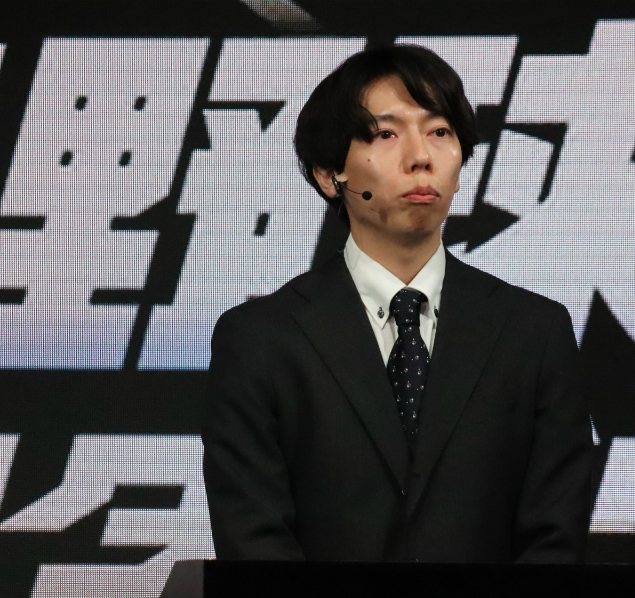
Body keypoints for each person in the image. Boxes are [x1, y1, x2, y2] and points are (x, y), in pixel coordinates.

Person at [203, 44, 595, 561]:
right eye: (386, 134)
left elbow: (555, 539)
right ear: (329, 173)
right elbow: (254, 541)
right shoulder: (260, 339)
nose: (421, 157)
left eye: (440, 132)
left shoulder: (535, 333)